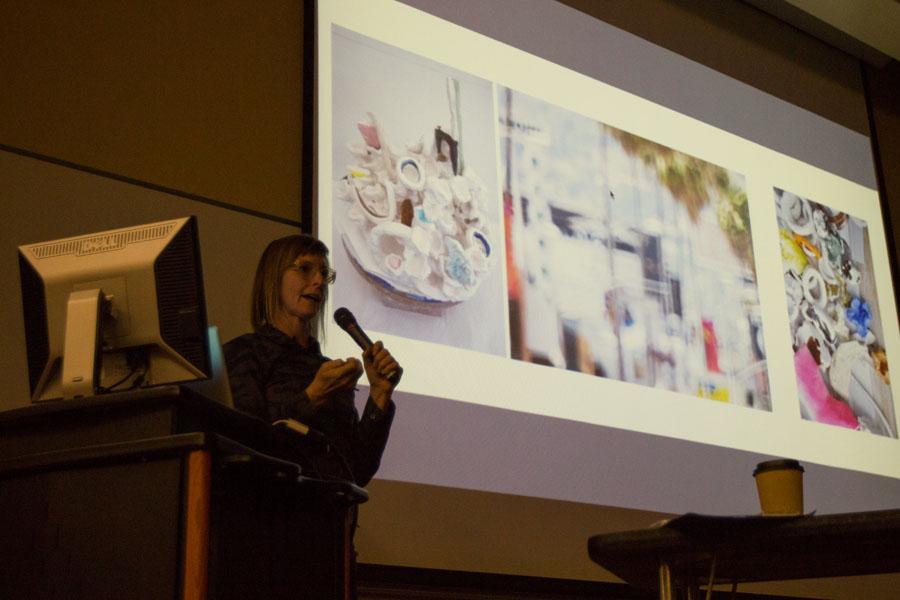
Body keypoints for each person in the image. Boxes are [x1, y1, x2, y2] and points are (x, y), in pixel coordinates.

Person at [223, 234, 401, 486]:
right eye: (305, 269)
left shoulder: (329, 370)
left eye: (324, 273)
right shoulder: (244, 353)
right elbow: (248, 443)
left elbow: (357, 471)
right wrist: (311, 397)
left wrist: (380, 396)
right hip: (272, 514)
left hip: (330, 517)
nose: (319, 281)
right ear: (273, 278)